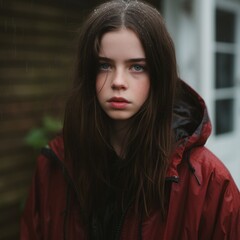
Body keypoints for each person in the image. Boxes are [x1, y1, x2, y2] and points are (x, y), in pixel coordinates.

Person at [20, 0, 240, 239]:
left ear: (158, 75)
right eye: (104, 65)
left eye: (137, 67)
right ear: (88, 72)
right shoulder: (55, 166)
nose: (118, 81)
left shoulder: (209, 183)